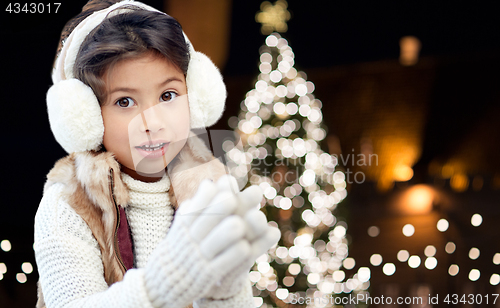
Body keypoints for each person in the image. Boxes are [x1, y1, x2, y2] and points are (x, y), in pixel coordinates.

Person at [34, 0, 280, 307]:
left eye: (168, 95)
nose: (152, 124)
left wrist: (226, 291)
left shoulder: (208, 188)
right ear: (86, 117)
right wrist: (162, 285)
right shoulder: (68, 202)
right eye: (124, 102)